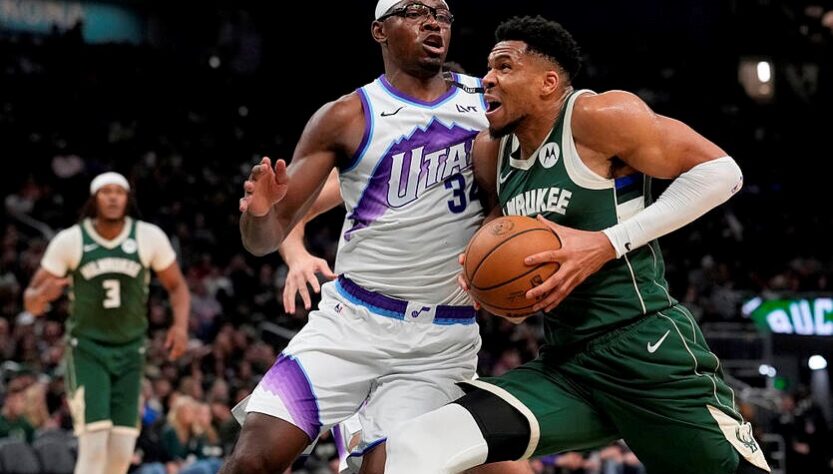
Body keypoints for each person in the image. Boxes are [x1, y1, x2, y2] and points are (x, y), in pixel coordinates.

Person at [385, 15, 772, 474]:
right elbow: (503, 256)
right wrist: (488, 286)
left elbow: (722, 173)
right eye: (488, 68)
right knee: (417, 443)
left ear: (548, 83)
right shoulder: (493, 151)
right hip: (566, 365)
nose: (487, 78)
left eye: (505, 67)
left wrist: (606, 243)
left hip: (645, 348)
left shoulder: (596, 116)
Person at [222, 1, 531, 473]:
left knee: (389, 467)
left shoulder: (486, 103)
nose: (432, 21)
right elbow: (264, 238)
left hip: (439, 339)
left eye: (442, 14)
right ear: (379, 31)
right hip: (350, 322)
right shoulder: (347, 116)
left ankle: (361, 436)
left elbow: (514, 189)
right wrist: (263, 217)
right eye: (415, 11)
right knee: (251, 460)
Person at [23, 171, 190, 474]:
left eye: (119, 192)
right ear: (94, 199)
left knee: (121, 453)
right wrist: (42, 296)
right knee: (94, 445)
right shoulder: (71, 240)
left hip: (131, 351)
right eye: (105, 192)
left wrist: (179, 326)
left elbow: (177, 286)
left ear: (127, 199)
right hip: (88, 350)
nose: (113, 197)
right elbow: (30, 300)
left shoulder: (148, 236)